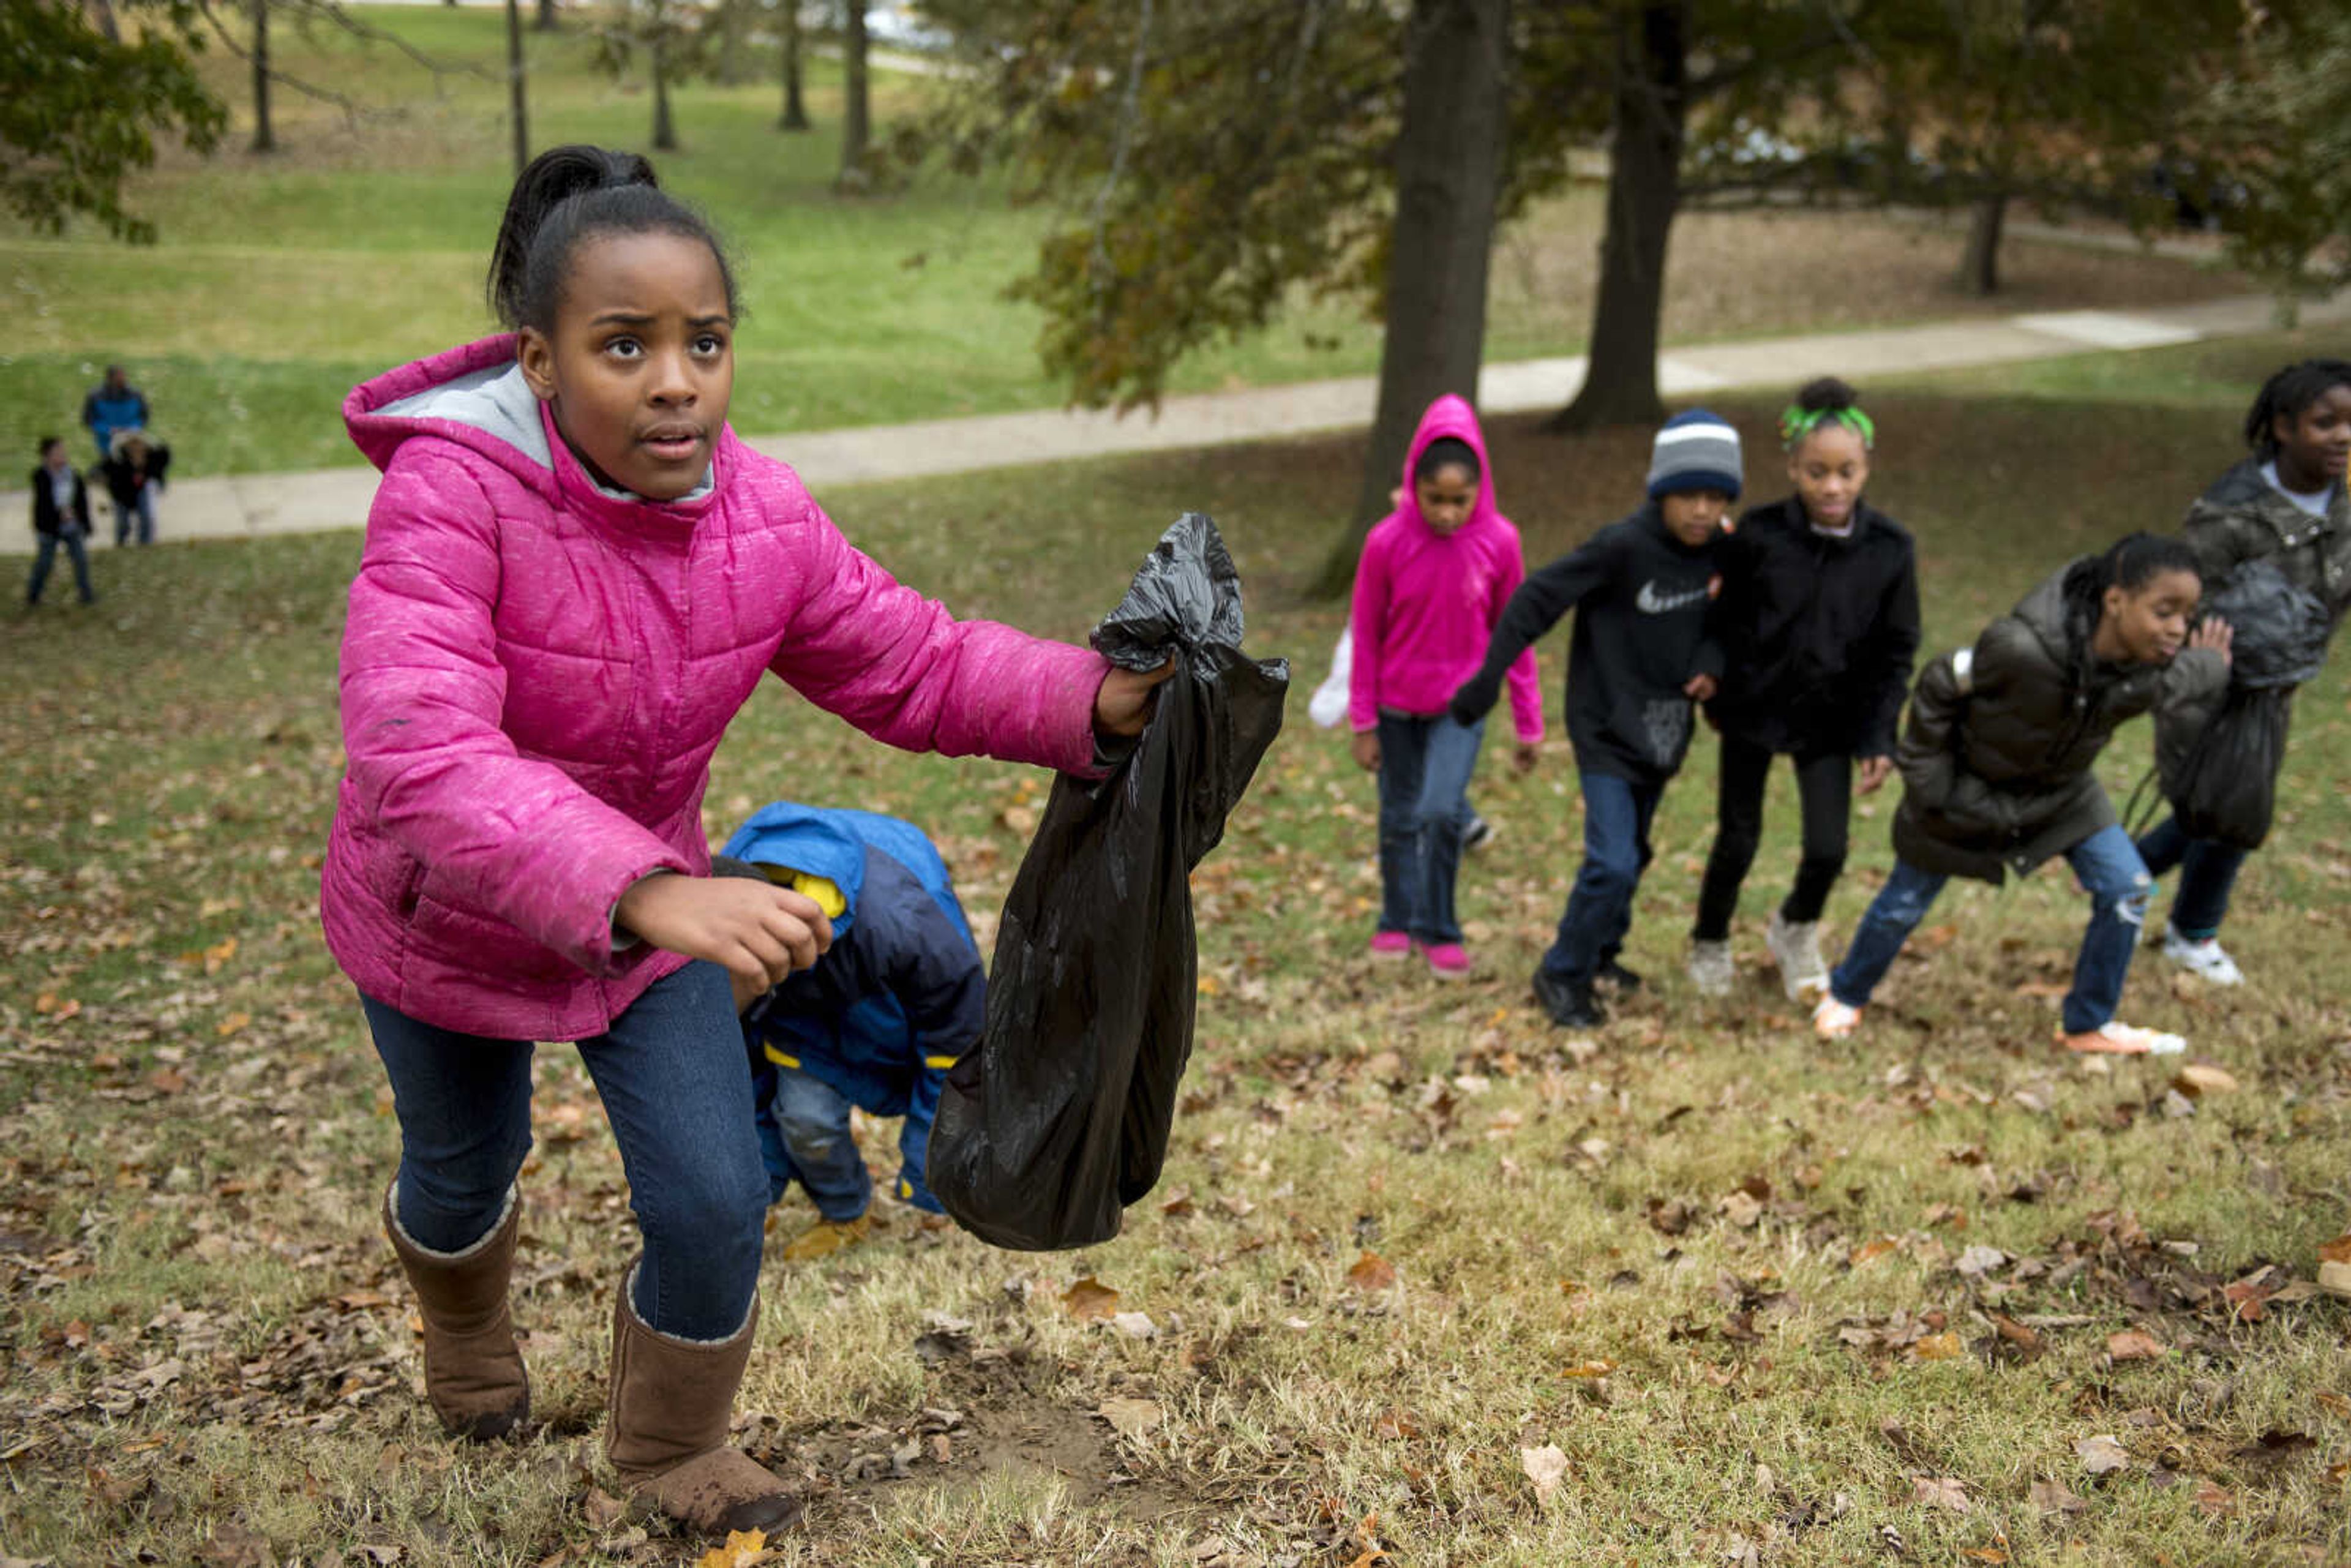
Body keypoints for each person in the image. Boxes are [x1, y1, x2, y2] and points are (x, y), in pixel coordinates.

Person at [328, 145, 1171, 1540]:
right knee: (464, 1164)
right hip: (451, 914)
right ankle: (468, 1339)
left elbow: (914, 660)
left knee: (717, 1188)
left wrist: (1088, 696)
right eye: (624, 345)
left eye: (701, 342)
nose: (674, 379)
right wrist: (645, 885)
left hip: (650, 911)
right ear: (540, 362)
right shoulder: (445, 494)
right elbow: (415, 747)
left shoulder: (759, 515)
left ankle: (668, 1443)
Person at [1813, 534, 2232, 1055]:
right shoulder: (2020, 647)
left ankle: (2088, 1024)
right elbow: (1941, 679)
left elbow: (2186, 680)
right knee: (1904, 901)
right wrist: (1932, 784)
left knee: (2128, 888)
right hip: (1965, 793)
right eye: (2165, 611)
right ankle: (1845, 992)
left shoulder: (2150, 667)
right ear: (2116, 600)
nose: (2178, 629)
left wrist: (2214, 665)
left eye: (2187, 615)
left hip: (2064, 797)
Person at [1451, 410, 1739, 1029]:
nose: (1701, 509)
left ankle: (1604, 952)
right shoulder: (1622, 547)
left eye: (1715, 497)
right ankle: (1562, 970)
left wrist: (1712, 660)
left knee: (1633, 852)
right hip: (1606, 723)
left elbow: (1729, 621)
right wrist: (1488, 678)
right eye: (1689, 494)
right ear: (1661, 490)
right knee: (1610, 860)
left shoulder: (1721, 553)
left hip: (1665, 729)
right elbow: (1534, 600)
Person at [1689, 378, 1920, 1000]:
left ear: (1866, 468)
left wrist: (1879, 733)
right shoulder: (1759, 536)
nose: (1832, 486)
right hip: (1752, 710)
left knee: (1829, 847)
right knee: (1738, 838)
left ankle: (1794, 927)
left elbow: (1895, 652)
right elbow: (1720, 616)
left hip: (1832, 720)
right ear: (1793, 467)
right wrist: (1712, 668)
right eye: (1817, 471)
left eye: (1846, 471)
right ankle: (1709, 937)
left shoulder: (1891, 550)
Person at [2137, 358, 2351, 988]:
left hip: (2278, 684)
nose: (2342, 436)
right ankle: (2191, 931)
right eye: (2325, 422)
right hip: (2216, 681)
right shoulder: (2231, 512)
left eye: (2350, 424)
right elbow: (2188, 598)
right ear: (2282, 427)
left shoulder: (2342, 503)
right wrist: (2205, 665)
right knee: (2233, 805)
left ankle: (2123, 874)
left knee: (2218, 804)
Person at [711, 801, 980, 1261]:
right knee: (805, 1119)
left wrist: (929, 1167)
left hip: (881, 987)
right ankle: (844, 1212)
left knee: (916, 1066)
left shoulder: (907, 926)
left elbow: (958, 1040)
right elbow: (743, 1070)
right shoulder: (722, 941)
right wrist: (760, 1181)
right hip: (802, 1013)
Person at [1346, 395, 1542, 977]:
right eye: (1436, 499)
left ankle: (1440, 927)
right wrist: (1363, 722)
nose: (1449, 513)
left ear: (1480, 490)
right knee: (1399, 816)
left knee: (1440, 811)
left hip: (1463, 707)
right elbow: (1366, 634)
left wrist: (1530, 722)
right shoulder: (1385, 542)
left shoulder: (1501, 541)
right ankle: (1396, 921)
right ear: (1414, 486)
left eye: (1462, 500)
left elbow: (1517, 634)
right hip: (1395, 706)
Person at [1310, 623, 1494, 849]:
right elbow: (1359, 643)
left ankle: (1461, 821)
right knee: (1407, 772)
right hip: (1392, 699)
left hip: (1434, 695)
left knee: (1426, 765)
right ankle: (1430, 835)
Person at [26, 437, 97, 607]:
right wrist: (59, 515)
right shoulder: (41, 477)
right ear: (47, 456)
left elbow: (82, 501)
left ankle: (86, 595)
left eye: (63, 452)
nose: (62, 456)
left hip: (72, 527)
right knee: (45, 562)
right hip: (49, 528)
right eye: (57, 453)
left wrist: (85, 523)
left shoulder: (73, 475)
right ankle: (33, 595)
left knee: (81, 559)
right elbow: (43, 504)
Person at [99, 431, 170, 547]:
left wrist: (150, 443)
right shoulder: (119, 463)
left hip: (140, 492)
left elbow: (165, 454)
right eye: (133, 446)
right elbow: (110, 476)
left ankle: (145, 543)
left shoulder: (151, 460)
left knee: (146, 517)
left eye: (140, 446)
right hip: (122, 495)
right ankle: (120, 543)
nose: (137, 449)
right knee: (123, 523)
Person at [80, 365, 149, 459]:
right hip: (106, 444)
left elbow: (143, 417)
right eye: (119, 378)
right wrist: (108, 430)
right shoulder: (95, 396)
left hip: (131, 444)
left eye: (123, 377)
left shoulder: (136, 395)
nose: (123, 380)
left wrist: (132, 429)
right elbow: (89, 420)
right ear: (110, 379)